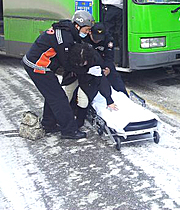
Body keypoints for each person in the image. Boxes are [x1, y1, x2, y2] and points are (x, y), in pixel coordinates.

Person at [22, 10, 95, 139]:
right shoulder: (64, 39)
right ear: (78, 25)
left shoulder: (67, 31)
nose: (88, 33)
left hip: (42, 65)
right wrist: (85, 71)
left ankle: (49, 124)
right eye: (87, 29)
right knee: (59, 98)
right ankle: (69, 131)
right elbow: (67, 63)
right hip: (37, 66)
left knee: (52, 95)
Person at [62, 43, 118, 128]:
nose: (81, 64)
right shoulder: (70, 57)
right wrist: (84, 70)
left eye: (83, 62)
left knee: (83, 99)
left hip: (89, 79)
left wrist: (109, 100)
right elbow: (68, 67)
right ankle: (65, 116)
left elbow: (102, 81)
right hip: (73, 74)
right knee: (68, 93)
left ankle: (79, 122)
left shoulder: (96, 60)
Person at [85, 22, 128, 96]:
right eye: (95, 38)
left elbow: (109, 57)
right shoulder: (84, 38)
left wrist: (108, 68)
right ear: (90, 33)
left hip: (103, 60)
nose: (97, 41)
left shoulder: (108, 39)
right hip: (88, 62)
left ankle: (124, 95)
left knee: (114, 75)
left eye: (99, 39)